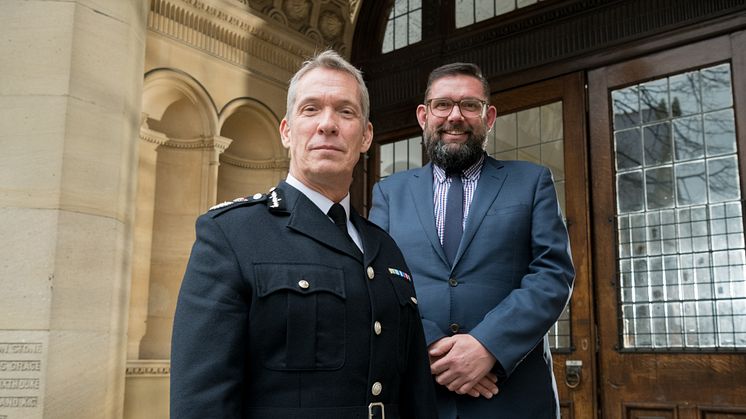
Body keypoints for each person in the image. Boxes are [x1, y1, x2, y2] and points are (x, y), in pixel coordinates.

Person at [170, 50, 438, 419]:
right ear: (286, 131)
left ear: (365, 136)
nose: (327, 124)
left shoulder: (385, 248)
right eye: (311, 109)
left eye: (346, 112)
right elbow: (202, 401)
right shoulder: (231, 235)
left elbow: (416, 392)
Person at [369, 62, 575, 419]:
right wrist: (433, 347)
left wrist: (487, 346)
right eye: (442, 104)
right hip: (418, 393)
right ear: (423, 115)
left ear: (489, 116)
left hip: (513, 397)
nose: (455, 116)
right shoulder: (389, 193)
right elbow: (377, 282)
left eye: (469, 105)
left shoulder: (531, 181)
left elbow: (552, 274)